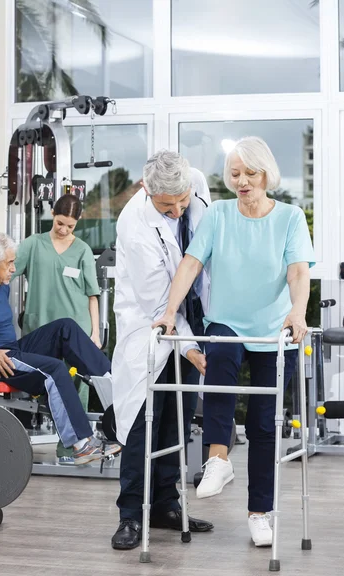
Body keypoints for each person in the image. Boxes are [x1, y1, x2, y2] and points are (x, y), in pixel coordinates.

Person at [153, 137, 315, 547]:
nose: (241, 181)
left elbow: (298, 271)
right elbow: (191, 263)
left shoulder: (291, 217)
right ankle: (217, 460)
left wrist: (298, 311)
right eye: (235, 174)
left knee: (263, 424)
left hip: (274, 330)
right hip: (227, 322)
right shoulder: (220, 214)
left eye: (249, 173)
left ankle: (259, 513)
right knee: (221, 354)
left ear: (266, 174)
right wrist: (170, 311)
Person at [0, 231, 120, 466]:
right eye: (10, 263)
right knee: (54, 369)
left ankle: (114, 384)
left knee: (64, 327)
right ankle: (81, 446)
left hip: (10, 349)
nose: (14, 269)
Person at [111, 150, 214, 551]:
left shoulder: (196, 185)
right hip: (149, 327)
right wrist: (189, 348)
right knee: (142, 425)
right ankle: (130, 515)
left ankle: (167, 506)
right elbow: (159, 306)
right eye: (165, 206)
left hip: (192, 315)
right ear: (145, 190)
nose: (175, 212)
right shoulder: (133, 225)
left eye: (181, 202)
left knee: (178, 417)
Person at [13, 193, 103, 465]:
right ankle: (26, 445)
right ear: (52, 213)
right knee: (46, 388)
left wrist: (95, 334)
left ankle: (73, 451)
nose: (64, 230)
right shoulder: (33, 245)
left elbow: (91, 295)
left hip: (77, 327)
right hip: (42, 328)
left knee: (78, 388)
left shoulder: (83, 250)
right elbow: (4, 272)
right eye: (60, 223)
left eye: (70, 226)